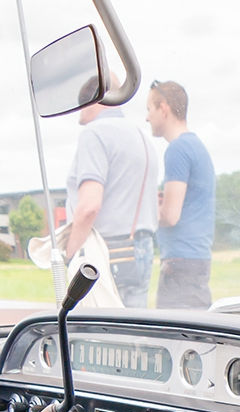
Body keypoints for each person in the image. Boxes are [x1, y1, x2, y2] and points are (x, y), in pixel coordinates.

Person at [64, 84, 160, 308]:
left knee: (99, 334)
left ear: (95, 99)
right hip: (141, 248)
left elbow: (89, 206)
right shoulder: (142, 136)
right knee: (133, 332)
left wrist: (70, 254)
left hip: (108, 252)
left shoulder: (95, 134)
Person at [146, 80, 215, 309]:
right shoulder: (195, 146)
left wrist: (147, 210)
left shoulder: (177, 149)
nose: (147, 118)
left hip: (181, 264)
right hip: (195, 260)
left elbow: (170, 216)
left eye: (149, 109)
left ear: (163, 108)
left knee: (174, 337)